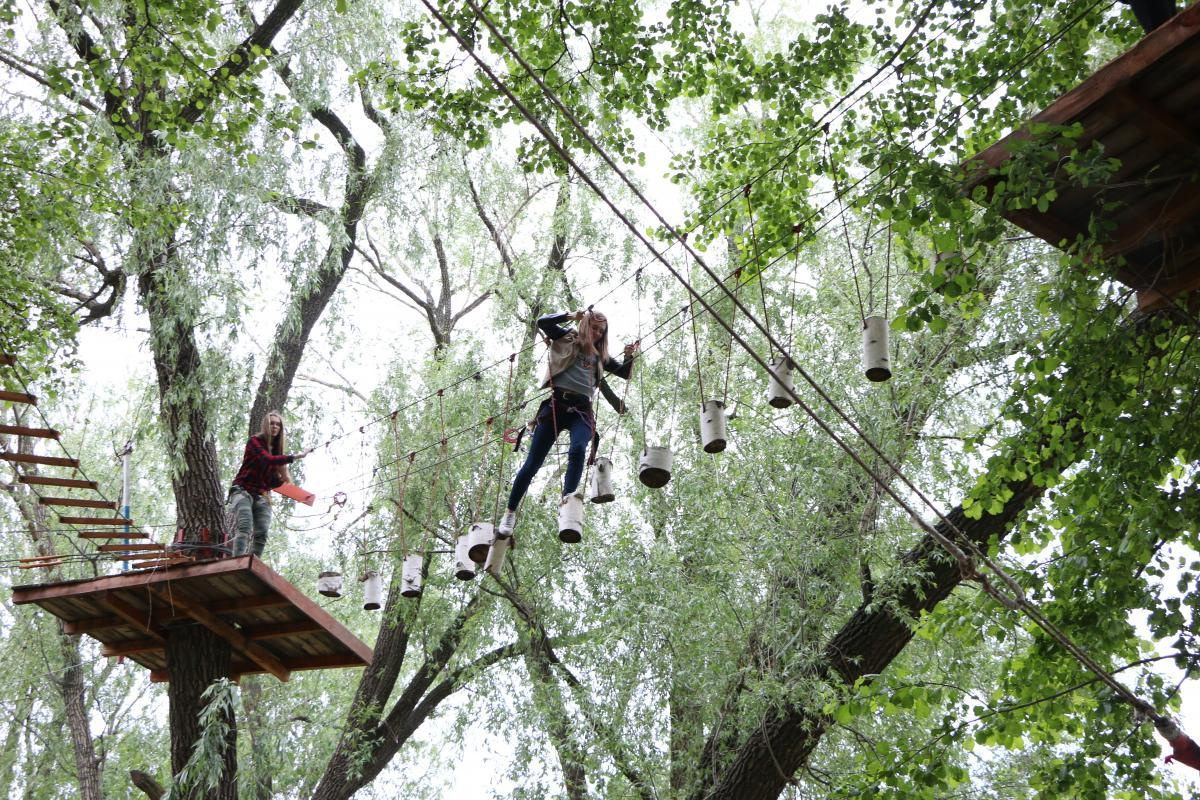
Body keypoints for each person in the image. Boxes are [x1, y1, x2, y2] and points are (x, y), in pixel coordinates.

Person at [499, 309, 638, 540]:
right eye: (593, 328)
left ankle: (568, 503)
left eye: (600, 331)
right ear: (585, 325)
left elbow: (625, 373)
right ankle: (510, 513)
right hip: (556, 406)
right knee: (532, 463)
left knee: (577, 450)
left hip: (581, 413)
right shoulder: (566, 338)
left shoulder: (600, 356)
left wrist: (628, 356)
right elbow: (542, 322)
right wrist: (571, 315)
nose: (596, 333)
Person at [228, 411, 310, 557]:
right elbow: (266, 460)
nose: (274, 426)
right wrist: (295, 457)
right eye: (271, 423)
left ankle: (252, 565)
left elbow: (272, 482)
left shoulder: (276, 453)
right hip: (242, 491)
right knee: (245, 525)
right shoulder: (254, 442)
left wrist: (285, 480)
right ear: (265, 425)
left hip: (261, 495)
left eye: (278, 424)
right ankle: (237, 561)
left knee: (262, 532)